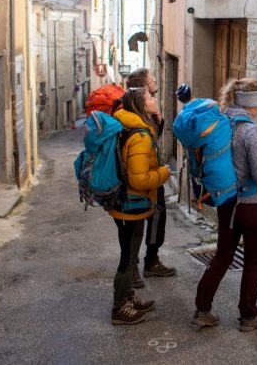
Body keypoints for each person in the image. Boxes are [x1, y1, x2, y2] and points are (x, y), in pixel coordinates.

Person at [193, 77, 257, 331]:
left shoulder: (224, 122)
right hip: (253, 207)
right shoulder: (252, 130)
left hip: (228, 203)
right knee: (254, 261)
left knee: (222, 257)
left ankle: (202, 309)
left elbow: (234, 159)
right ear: (250, 103)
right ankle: (248, 316)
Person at [109, 86, 170, 325]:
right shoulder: (140, 136)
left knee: (130, 254)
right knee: (128, 257)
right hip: (131, 204)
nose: (154, 99)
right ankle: (119, 308)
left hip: (126, 202)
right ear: (141, 105)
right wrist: (163, 173)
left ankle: (127, 297)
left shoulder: (130, 126)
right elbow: (139, 179)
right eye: (150, 97)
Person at [126, 68, 177, 289]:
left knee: (158, 220)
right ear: (143, 89)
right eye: (151, 80)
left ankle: (151, 260)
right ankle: (132, 268)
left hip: (152, 178)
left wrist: (157, 115)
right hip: (139, 181)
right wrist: (163, 173)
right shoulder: (134, 113)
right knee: (133, 229)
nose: (155, 81)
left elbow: (157, 132)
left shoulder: (148, 109)